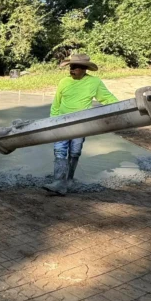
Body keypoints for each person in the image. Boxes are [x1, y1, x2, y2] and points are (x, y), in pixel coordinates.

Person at [43, 53, 119, 195]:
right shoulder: (64, 82)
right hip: (62, 123)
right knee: (59, 151)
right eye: (71, 67)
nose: (71, 70)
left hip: (81, 124)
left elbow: (107, 98)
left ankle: (69, 180)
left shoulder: (94, 82)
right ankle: (59, 181)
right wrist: (52, 121)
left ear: (84, 69)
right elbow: (56, 103)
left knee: (75, 152)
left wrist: (121, 109)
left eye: (75, 67)